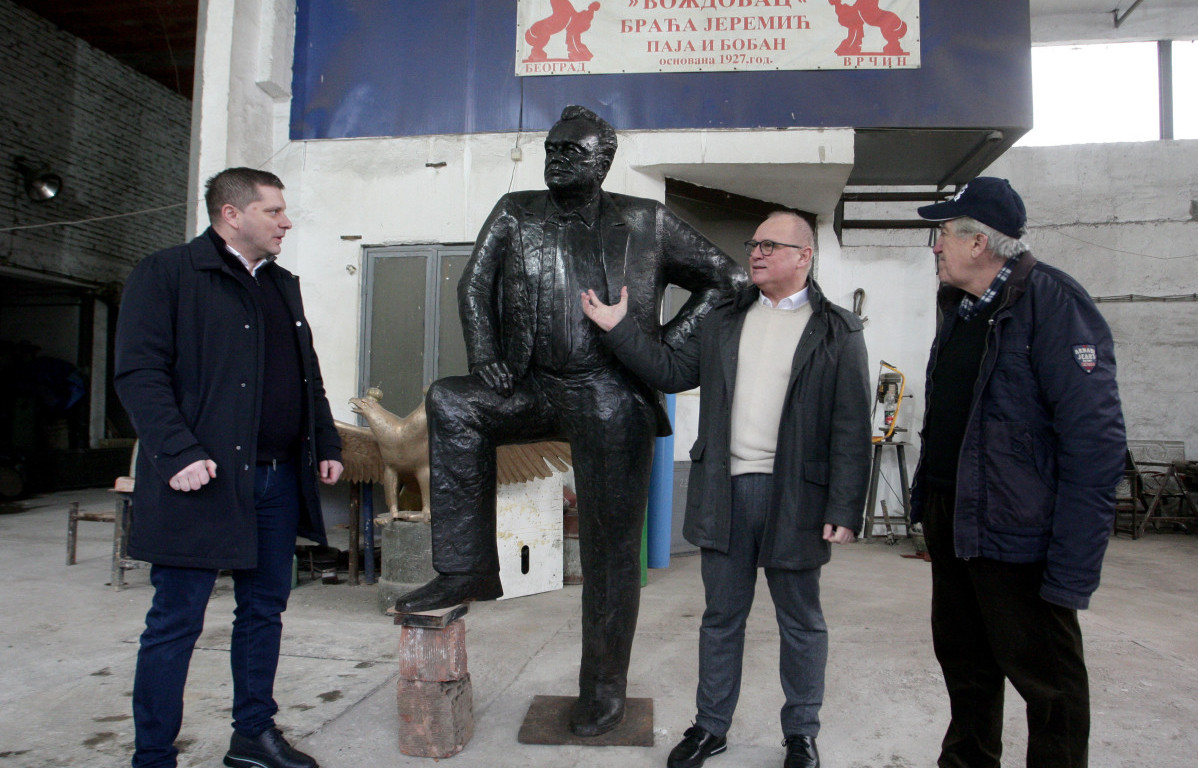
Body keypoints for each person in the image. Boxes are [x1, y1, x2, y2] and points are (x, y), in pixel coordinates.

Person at [393, 105, 745, 737]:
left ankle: (604, 686)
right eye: (551, 149)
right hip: (530, 386)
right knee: (452, 400)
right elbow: (473, 285)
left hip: (608, 392)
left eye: (571, 153)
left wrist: (659, 353)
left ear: (602, 162)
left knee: (611, 551)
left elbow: (730, 279)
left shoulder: (645, 220)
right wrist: (486, 357)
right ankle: (465, 566)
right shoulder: (515, 209)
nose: (556, 160)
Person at [581, 210, 873, 768]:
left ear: (803, 257)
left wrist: (845, 507)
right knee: (721, 618)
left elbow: (852, 426)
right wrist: (619, 328)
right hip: (725, 490)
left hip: (797, 499)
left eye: (769, 244)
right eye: (753, 242)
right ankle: (710, 728)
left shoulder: (837, 331)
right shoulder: (723, 320)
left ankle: (801, 734)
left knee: (801, 622)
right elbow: (668, 369)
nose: (755, 253)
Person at [115, 167, 344, 768]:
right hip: (202, 480)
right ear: (231, 214)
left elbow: (305, 374)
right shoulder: (167, 274)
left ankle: (252, 736)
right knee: (176, 621)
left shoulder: (280, 284)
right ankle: (153, 756)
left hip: (275, 479)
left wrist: (324, 442)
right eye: (273, 211)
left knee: (264, 610)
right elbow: (139, 374)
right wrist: (178, 452)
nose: (286, 222)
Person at [910, 177, 1126, 768]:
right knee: (966, 666)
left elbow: (1096, 444)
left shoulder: (1054, 303)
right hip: (955, 522)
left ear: (977, 242)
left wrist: (1073, 566)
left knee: (1049, 685)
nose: (935, 247)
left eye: (941, 235)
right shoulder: (960, 308)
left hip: (1020, 534)